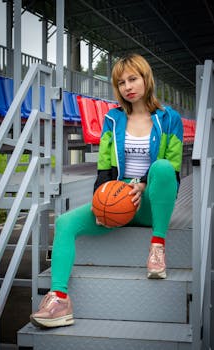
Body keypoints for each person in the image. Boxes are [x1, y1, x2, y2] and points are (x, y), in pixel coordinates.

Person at [30, 53, 183, 328]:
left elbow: (173, 168)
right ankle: (60, 300)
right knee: (65, 223)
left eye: (133, 78)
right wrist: (101, 203)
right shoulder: (113, 120)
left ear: (146, 79)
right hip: (120, 201)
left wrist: (143, 183)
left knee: (161, 167)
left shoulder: (169, 118)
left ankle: (157, 248)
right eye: (121, 82)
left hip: (150, 203)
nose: (128, 86)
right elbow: (103, 169)